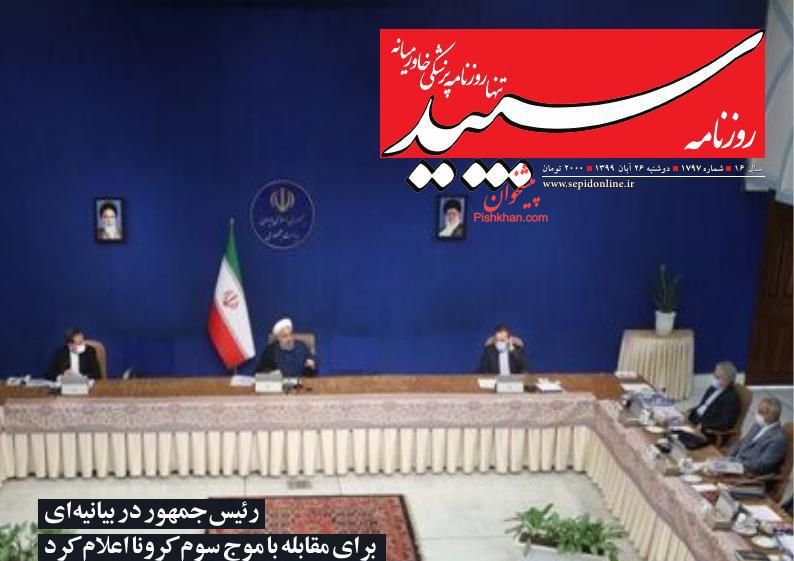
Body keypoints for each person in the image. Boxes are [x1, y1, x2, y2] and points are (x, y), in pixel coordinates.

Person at [727, 396, 787, 476]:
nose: (757, 414)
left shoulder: (777, 439)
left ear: (771, 415)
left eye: (760, 412)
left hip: (749, 473)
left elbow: (762, 465)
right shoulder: (757, 425)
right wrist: (730, 455)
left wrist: (738, 462)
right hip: (734, 464)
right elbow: (742, 441)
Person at [687, 361, 740, 441]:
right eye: (715, 374)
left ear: (728, 379)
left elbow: (725, 423)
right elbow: (703, 405)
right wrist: (690, 413)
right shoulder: (713, 388)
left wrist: (703, 425)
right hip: (696, 420)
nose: (714, 377)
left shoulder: (731, 398)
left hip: (709, 431)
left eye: (718, 377)